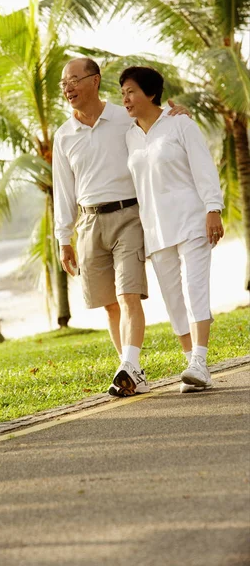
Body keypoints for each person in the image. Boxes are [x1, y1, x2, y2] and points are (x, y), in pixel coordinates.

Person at [52, 57, 189, 397]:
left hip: (128, 215)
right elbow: (63, 188)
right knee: (109, 304)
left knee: (128, 295)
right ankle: (130, 372)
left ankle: (128, 367)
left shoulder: (123, 118)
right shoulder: (64, 135)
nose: (68, 87)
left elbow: (156, 127)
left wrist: (181, 115)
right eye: (63, 83)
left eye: (74, 79)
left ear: (95, 80)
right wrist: (63, 238)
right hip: (88, 222)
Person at [120, 65, 224, 393]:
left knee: (196, 291)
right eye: (122, 93)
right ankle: (190, 364)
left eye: (131, 92)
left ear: (151, 93)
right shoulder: (129, 135)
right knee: (172, 298)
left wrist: (213, 209)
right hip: (155, 226)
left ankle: (200, 361)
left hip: (192, 218)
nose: (125, 99)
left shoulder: (180, 123)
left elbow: (203, 167)